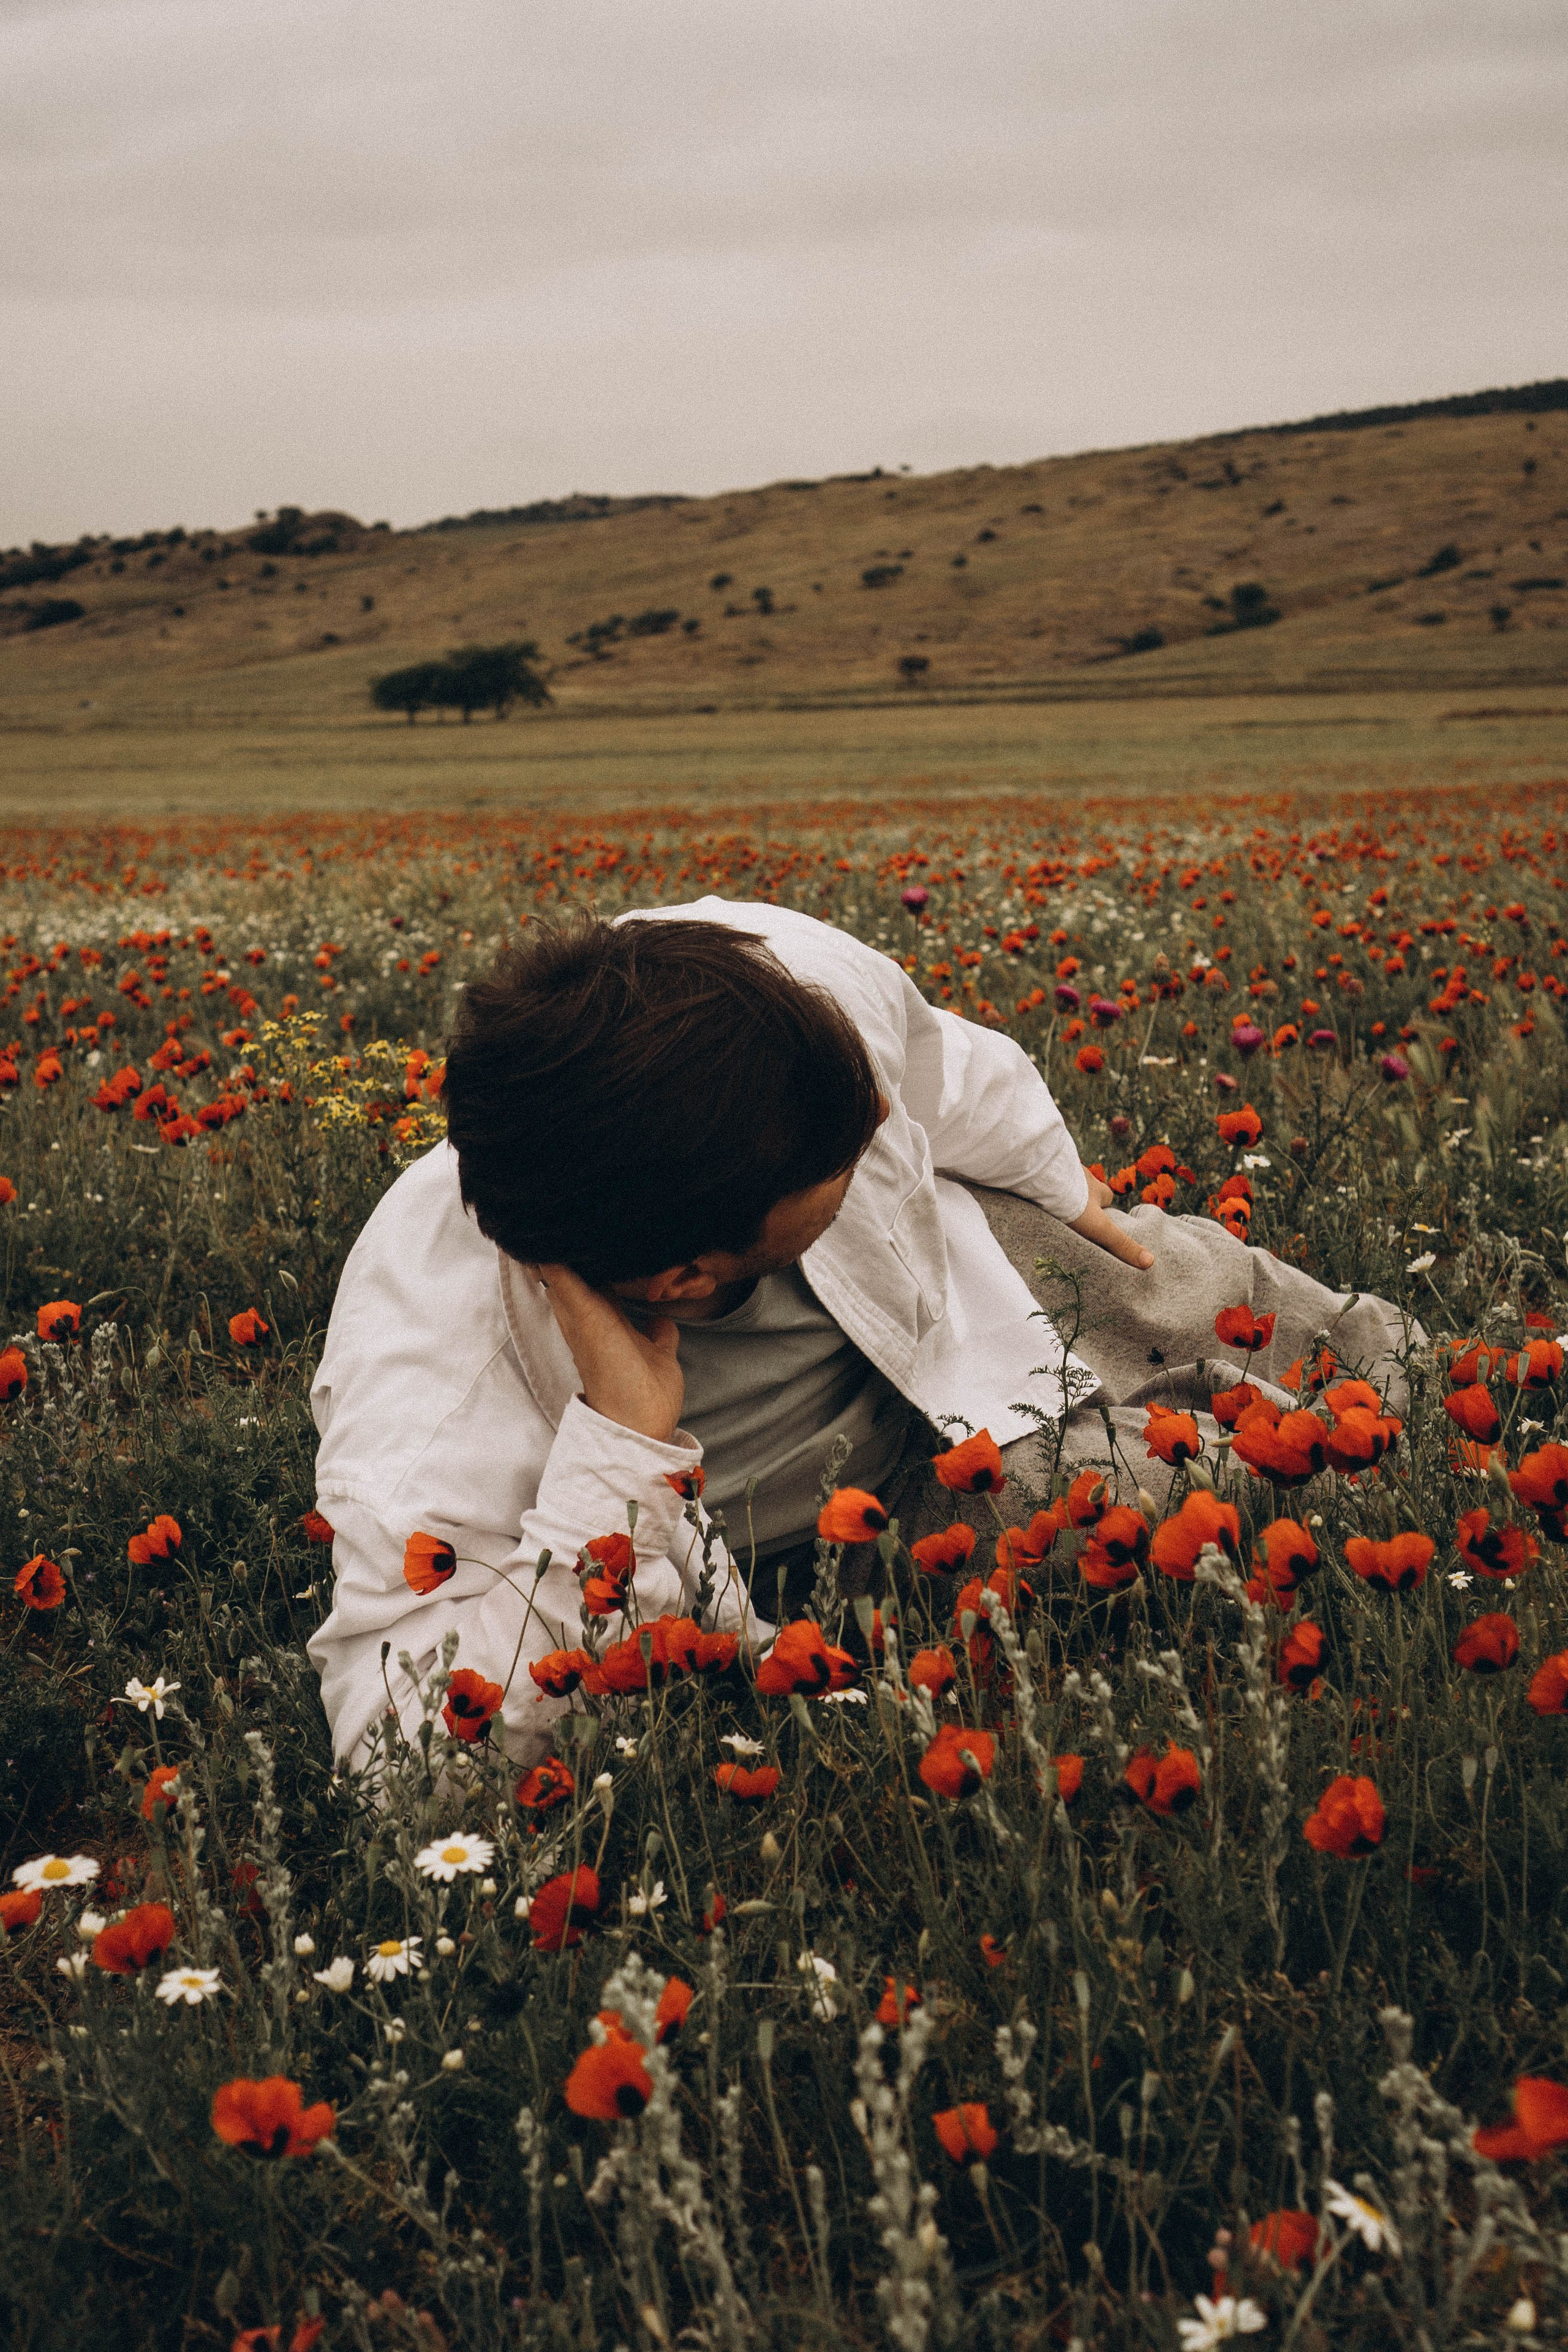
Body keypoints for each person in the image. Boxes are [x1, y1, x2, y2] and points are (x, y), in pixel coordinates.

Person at [307, 900, 1415, 1766]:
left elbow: (932, 1067)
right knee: (1210, 1494)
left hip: (942, 1288)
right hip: (879, 1508)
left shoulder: (770, 989)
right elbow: (405, 1764)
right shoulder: (431, 1399)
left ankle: (1463, 1372)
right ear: (686, 1277)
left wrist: (1063, 1188)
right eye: (842, 1159)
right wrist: (625, 1449)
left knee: (1213, 1286)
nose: (882, 1122)